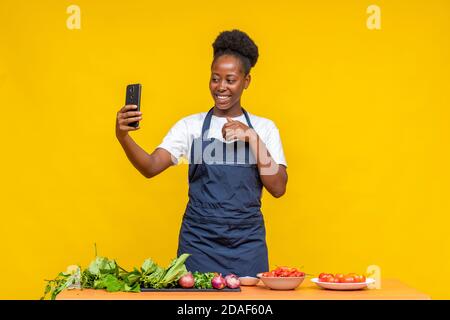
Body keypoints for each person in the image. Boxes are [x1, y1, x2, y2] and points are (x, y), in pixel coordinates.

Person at [116, 29, 288, 276]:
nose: (221, 87)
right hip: (199, 245)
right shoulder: (191, 127)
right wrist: (123, 137)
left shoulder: (264, 128)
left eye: (230, 80)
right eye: (215, 78)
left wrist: (253, 138)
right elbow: (151, 167)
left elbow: (278, 187)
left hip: (247, 246)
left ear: (246, 81)